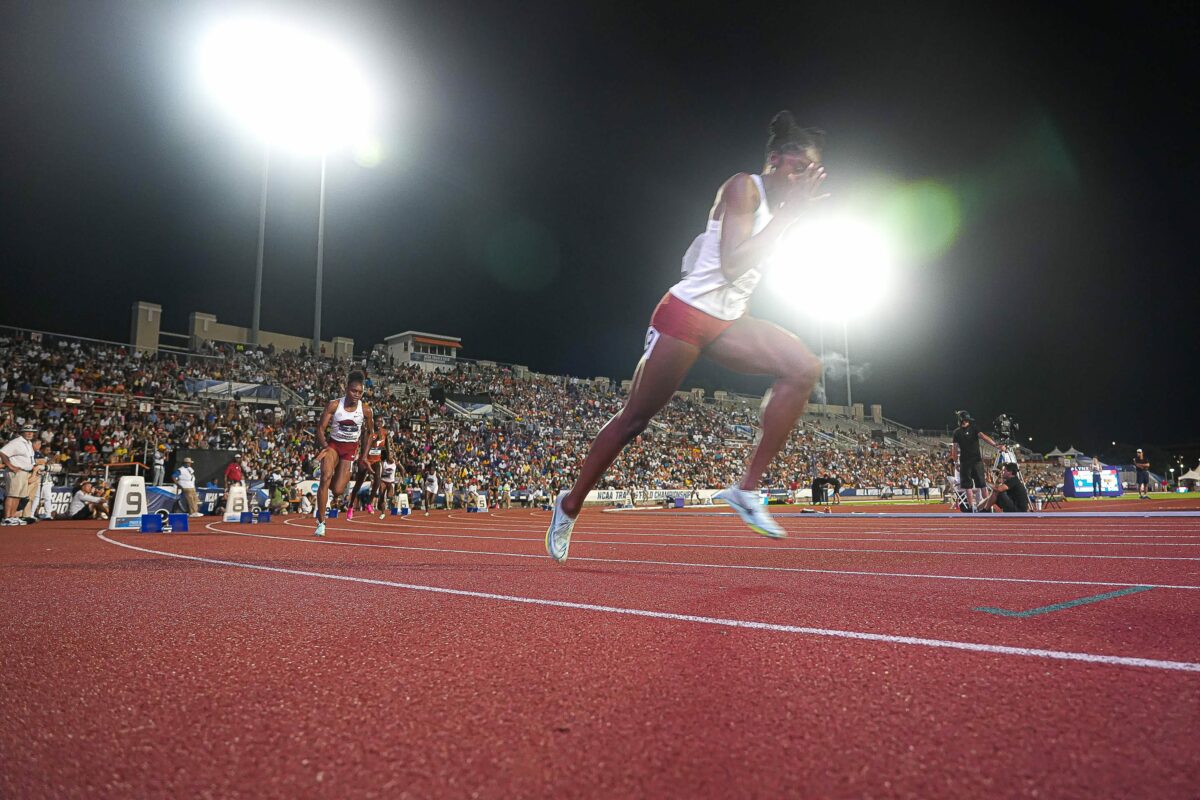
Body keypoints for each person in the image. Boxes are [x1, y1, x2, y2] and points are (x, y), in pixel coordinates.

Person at [545, 111, 827, 562]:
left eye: (808, 171)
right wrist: (789, 217)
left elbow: (725, 263)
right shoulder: (743, 186)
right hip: (686, 317)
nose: (801, 176)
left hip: (730, 320)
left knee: (804, 368)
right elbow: (734, 263)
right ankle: (570, 503)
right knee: (634, 420)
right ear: (773, 160)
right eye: (796, 166)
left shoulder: (784, 210)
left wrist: (790, 218)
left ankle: (745, 490)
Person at [312, 370, 374, 537]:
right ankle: (321, 522)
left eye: (360, 392)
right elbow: (320, 428)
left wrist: (364, 455)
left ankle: (329, 476)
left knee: (338, 490)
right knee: (325, 477)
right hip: (333, 445)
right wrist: (325, 446)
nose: (357, 395)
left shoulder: (366, 410)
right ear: (346, 389)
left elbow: (370, 433)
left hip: (350, 450)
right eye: (354, 391)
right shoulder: (334, 405)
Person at [951, 411, 998, 512]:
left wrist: (956, 462)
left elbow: (954, 449)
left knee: (968, 486)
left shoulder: (956, 432)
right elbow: (984, 437)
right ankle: (987, 508)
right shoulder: (974, 427)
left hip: (965, 462)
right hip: (977, 461)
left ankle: (971, 507)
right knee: (982, 485)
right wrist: (995, 445)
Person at [350, 417, 388, 515]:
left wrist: (389, 456)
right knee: (358, 484)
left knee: (378, 480)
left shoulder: (384, 432)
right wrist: (375, 440)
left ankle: (369, 503)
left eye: (381, 421)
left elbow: (386, 446)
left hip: (376, 460)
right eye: (377, 421)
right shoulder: (368, 432)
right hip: (365, 460)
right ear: (373, 422)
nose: (379, 423)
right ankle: (350, 506)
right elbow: (365, 446)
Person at [1, 423, 38, 525]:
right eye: (27, 431)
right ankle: (7, 518)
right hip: (15, 471)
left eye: (32, 432)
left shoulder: (28, 443)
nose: (30, 433)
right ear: (22, 433)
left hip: (24, 472)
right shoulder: (16, 442)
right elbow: (3, 452)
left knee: (18, 496)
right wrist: (10, 465)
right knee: (12, 494)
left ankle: (12, 516)